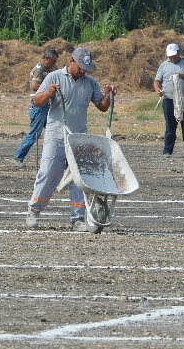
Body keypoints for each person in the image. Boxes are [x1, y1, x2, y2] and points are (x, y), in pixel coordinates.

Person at [26, 47, 118, 232]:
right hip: (56, 135)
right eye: (81, 66)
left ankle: (77, 219)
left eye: (86, 67)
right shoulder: (54, 77)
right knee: (48, 172)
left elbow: (101, 106)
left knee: (79, 179)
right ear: (71, 61)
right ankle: (34, 209)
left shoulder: (89, 82)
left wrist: (109, 94)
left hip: (79, 138)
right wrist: (48, 93)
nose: (83, 70)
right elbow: (37, 101)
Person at [12, 49, 59, 169]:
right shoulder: (39, 69)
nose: (54, 64)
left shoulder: (50, 69)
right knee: (34, 134)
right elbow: (34, 85)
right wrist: (49, 87)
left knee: (55, 131)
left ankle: (55, 159)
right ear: (47, 59)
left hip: (47, 105)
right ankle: (18, 157)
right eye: (53, 61)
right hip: (39, 107)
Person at [153, 43, 184, 158]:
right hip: (169, 99)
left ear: (179, 53)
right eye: (170, 56)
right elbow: (157, 80)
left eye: (174, 55)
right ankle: (167, 151)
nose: (172, 58)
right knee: (170, 126)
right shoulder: (164, 65)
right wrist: (158, 89)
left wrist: (180, 76)